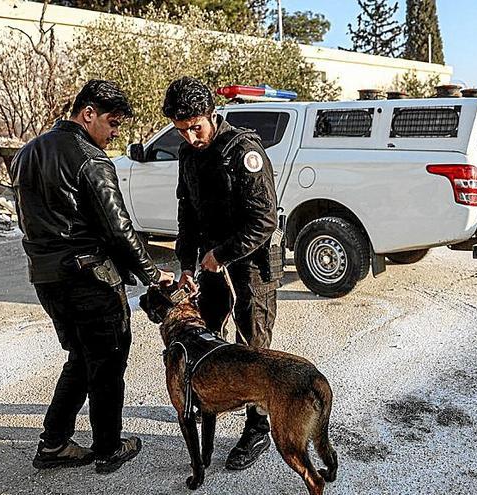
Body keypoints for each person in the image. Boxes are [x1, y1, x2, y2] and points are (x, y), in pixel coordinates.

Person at [9, 80, 174, 474]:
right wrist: (153, 275)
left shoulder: (26, 153)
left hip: (47, 278)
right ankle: (108, 447)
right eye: (112, 123)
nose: (115, 133)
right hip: (89, 279)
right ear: (88, 114)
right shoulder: (91, 159)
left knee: (81, 359)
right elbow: (118, 229)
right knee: (107, 363)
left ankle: (54, 444)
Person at [162, 76, 280, 471]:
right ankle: (209, 400)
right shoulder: (188, 154)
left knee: (253, 348)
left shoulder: (243, 149)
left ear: (212, 115)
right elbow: (187, 214)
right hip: (211, 265)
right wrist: (185, 263)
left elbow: (264, 220)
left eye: (196, 126)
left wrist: (222, 254)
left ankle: (258, 426)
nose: (191, 137)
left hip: (250, 266)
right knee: (208, 341)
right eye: (182, 130)